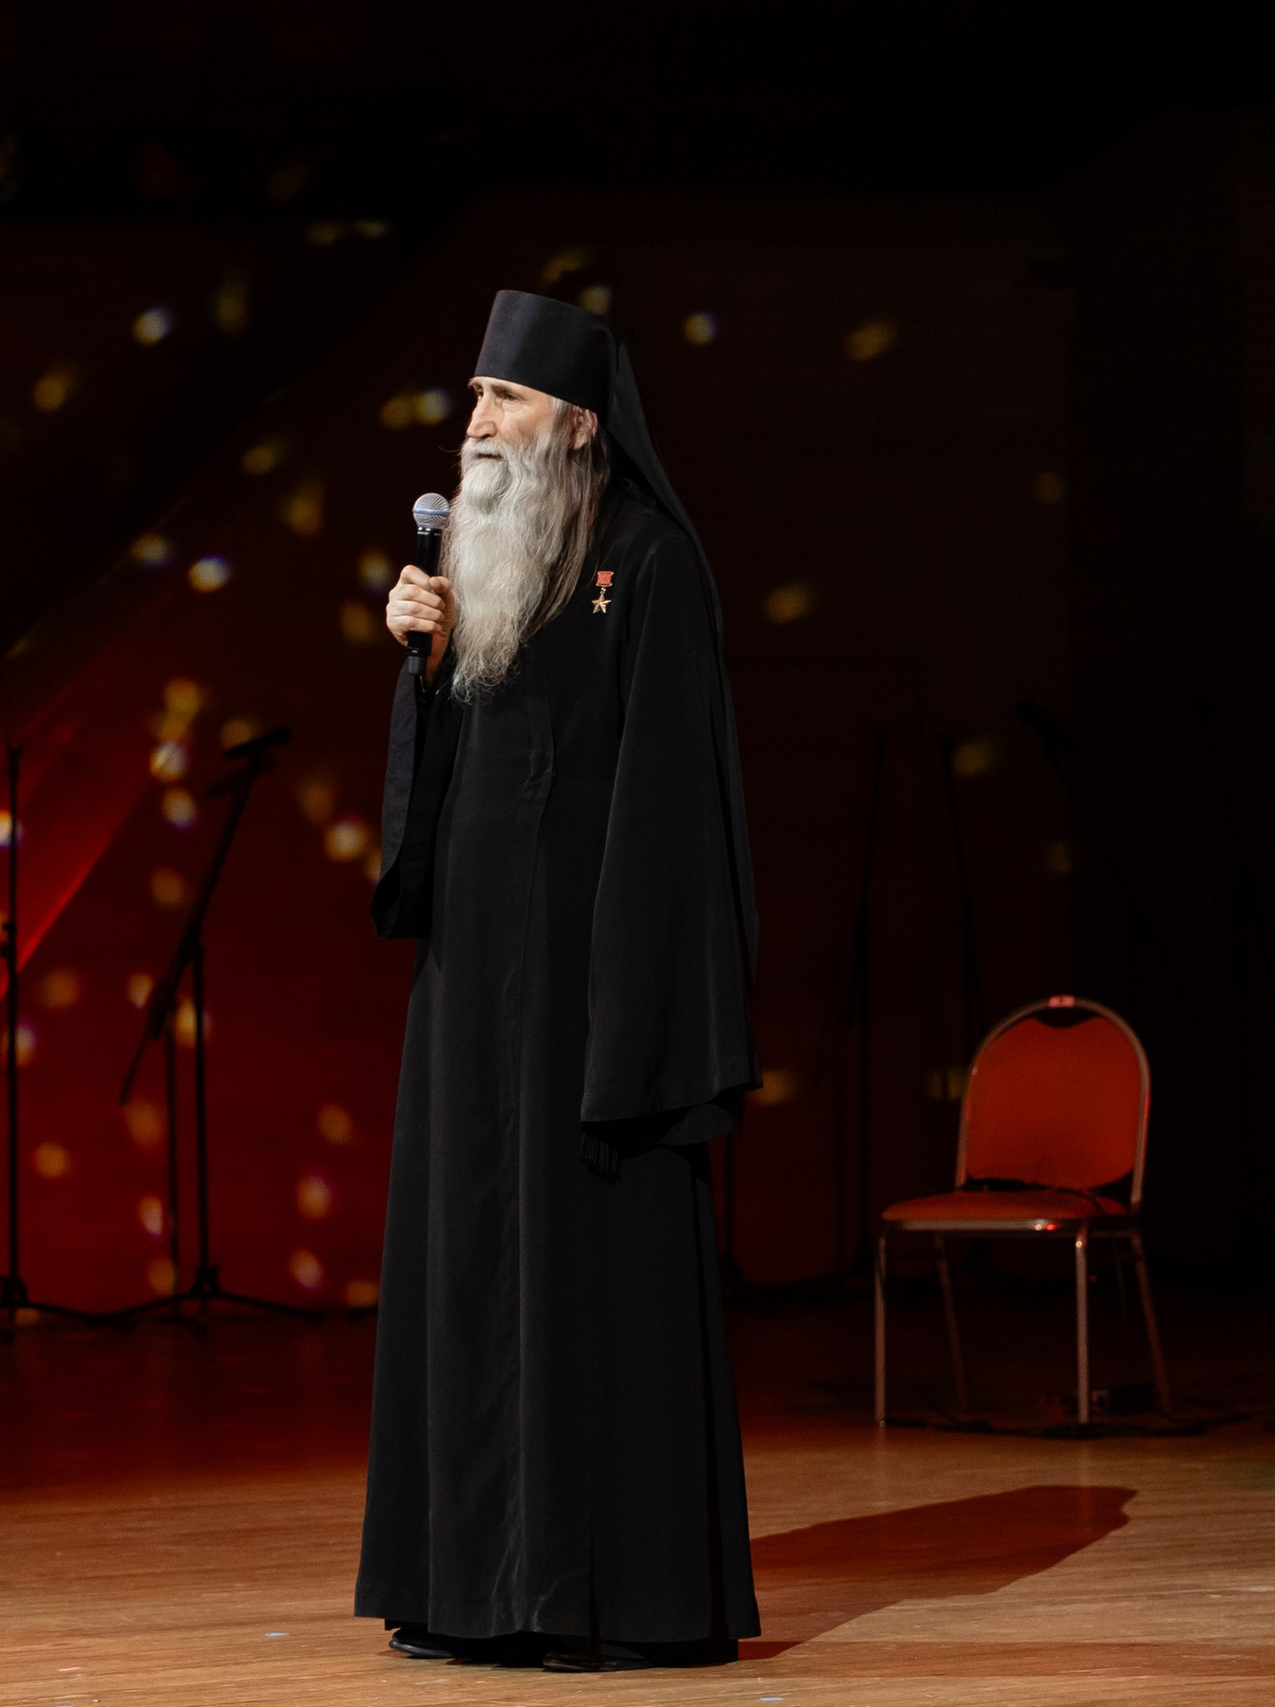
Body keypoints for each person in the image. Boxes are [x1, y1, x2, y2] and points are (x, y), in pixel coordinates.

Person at [356, 289, 761, 1672]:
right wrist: (417, 663)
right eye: (472, 396)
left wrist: (635, 1011)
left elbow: (668, 808)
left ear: (577, 422)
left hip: (594, 993)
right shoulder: (483, 564)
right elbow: (455, 787)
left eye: (503, 399)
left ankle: (598, 1589)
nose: (474, 422)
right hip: (474, 992)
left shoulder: (649, 564)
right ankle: (469, 1582)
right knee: (470, 1266)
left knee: (588, 1285)